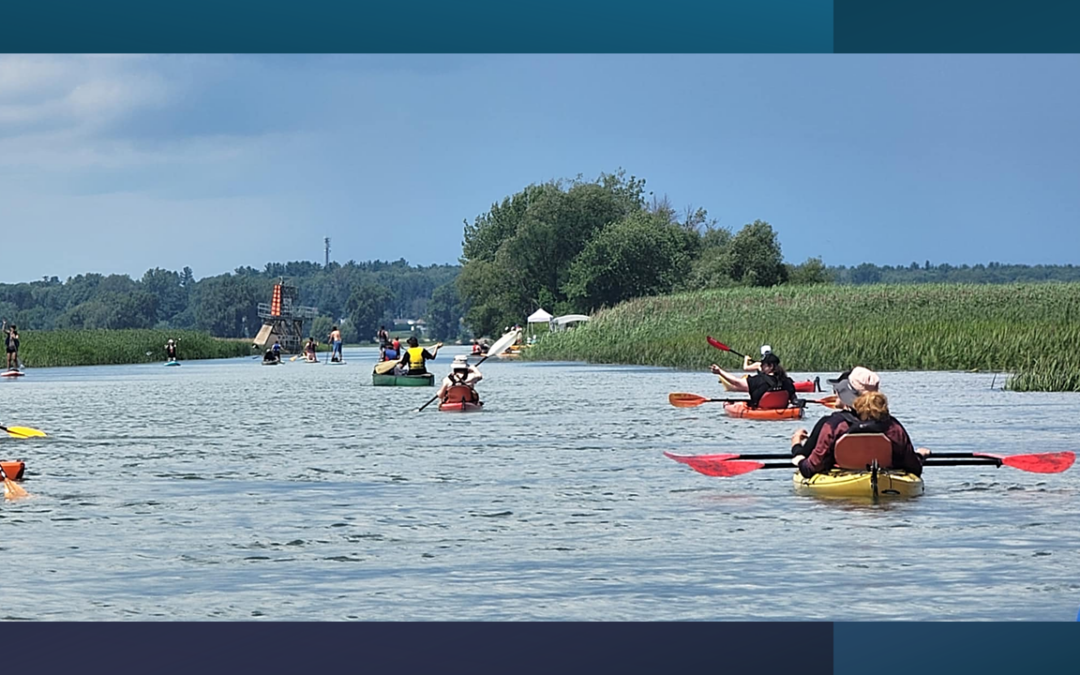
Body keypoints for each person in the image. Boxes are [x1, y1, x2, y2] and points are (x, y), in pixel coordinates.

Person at [790, 367, 930, 477]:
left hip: (843, 483)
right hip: (885, 483)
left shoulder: (834, 425)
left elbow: (810, 469)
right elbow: (914, 468)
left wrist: (799, 459)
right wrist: (919, 456)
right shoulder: (893, 426)